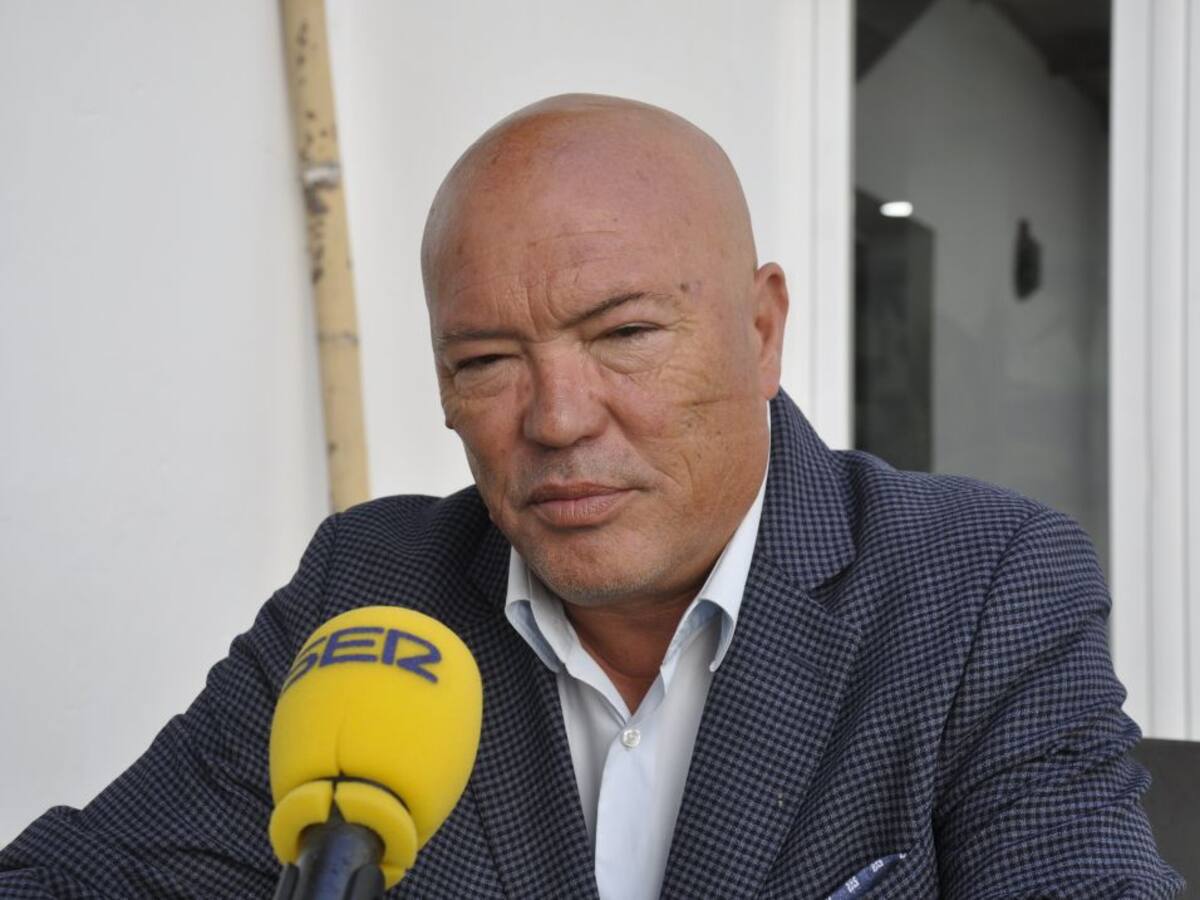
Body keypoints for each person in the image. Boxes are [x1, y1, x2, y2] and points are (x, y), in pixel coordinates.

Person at [0, 94, 1182, 899]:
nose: (558, 419)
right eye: (485, 360)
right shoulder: (368, 597)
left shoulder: (980, 590)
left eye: (623, 335)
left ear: (761, 331)